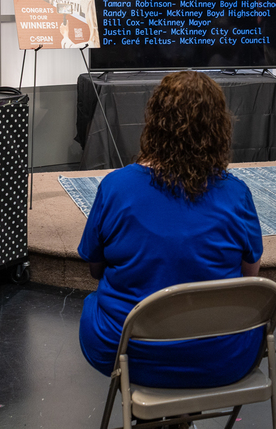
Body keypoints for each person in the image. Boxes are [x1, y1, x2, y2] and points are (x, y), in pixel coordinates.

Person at [78, 71, 264, 388]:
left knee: (95, 303)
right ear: (219, 128)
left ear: (154, 121)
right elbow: (249, 278)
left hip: (126, 352)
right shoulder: (237, 194)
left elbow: (95, 268)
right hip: (221, 357)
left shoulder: (115, 187)